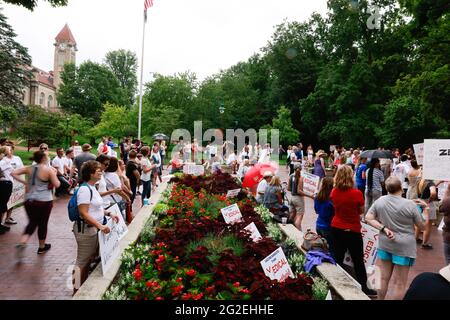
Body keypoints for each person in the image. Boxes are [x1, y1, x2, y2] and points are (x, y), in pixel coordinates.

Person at [365, 177, 430, 300]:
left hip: (385, 243)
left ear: (386, 188)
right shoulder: (410, 205)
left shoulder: (381, 201)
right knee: (400, 283)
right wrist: (426, 210)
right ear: (401, 188)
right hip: (404, 247)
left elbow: (368, 217)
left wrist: (383, 228)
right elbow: (422, 227)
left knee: (383, 278)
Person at [72, 160, 119, 294]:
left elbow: (96, 208)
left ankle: (81, 286)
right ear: (91, 173)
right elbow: (83, 212)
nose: (101, 172)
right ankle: (75, 290)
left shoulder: (92, 187)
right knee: (81, 261)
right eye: (98, 170)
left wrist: (109, 213)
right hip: (86, 230)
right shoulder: (84, 190)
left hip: (93, 228)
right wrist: (100, 225)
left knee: (87, 260)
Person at [330, 165, 377, 297]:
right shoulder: (357, 194)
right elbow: (361, 211)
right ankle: (364, 287)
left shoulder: (334, 192)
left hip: (336, 227)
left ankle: (335, 283)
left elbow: (335, 207)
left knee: (338, 257)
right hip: (352, 230)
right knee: (358, 260)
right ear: (351, 176)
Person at [12, 150, 61, 258]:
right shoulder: (48, 170)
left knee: (33, 221)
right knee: (42, 223)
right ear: (43, 158)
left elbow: (13, 173)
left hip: (29, 200)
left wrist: (25, 182)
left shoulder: (29, 168)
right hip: (44, 200)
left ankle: (23, 241)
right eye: (47, 156)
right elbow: (57, 184)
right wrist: (54, 174)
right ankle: (41, 246)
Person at [288, 163, 313, 231]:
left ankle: (291, 231)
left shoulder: (291, 176)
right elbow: (299, 191)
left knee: (292, 216)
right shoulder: (300, 177)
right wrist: (310, 196)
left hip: (292, 198)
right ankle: (300, 234)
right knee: (299, 218)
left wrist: (294, 189)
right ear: (301, 169)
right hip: (298, 199)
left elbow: (288, 188)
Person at [314, 177, 335, 256]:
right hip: (328, 226)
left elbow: (316, 211)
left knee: (323, 246)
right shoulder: (331, 199)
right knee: (332, 248)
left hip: (319, 225)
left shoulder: (318, 197)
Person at [3, 143, 23, 225]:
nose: (10, 151)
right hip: (6, 183)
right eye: (8, 150)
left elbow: (22, 168)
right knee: (4, 202)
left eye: (11, 150)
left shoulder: (17, 158)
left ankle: (8, 218)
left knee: (12, 201)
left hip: (16, 182)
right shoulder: (3, 159)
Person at [416, 178, 437, 249]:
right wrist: (430, 199)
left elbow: (427, 189)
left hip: (419, 203)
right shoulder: (430, 182)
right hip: (427, 204)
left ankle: (416, 238)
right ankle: (424, 243)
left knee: (418, 222)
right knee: (428, 226)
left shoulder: (420, 180)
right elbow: (433, 192)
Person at [0, 146, 14, 234]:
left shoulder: (5, 160)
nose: (10, 150)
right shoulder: (4, 161)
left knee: (3, 205)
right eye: (9, 149)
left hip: (7, 184)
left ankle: (0, 224)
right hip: (4, 185)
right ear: (5, 152)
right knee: (2, 205)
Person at [440, 184, 450, 264]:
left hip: (448, 236)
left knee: (448, 259)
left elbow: (441, 208)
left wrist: (447, 193)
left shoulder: (447, 201)